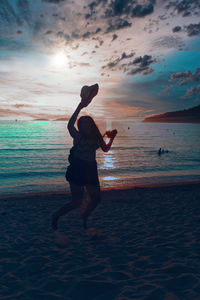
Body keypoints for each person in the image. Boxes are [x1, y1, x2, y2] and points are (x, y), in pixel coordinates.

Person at [51, 85, 117, 231]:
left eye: (88, 124)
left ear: (92, 125)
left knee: (96, 199)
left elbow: (105, 149)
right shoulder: (78, 136)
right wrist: (80, 106)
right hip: (77, 168)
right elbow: (69, 125)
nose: (85, 126)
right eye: (82, 124)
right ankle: (56, 216)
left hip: (91, 169)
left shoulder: (96, 137)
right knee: (76, 202)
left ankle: (85, 216)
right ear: (80, 126)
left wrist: (112, 138)